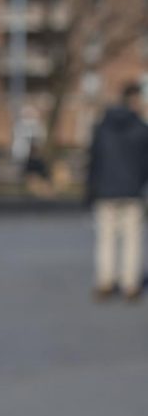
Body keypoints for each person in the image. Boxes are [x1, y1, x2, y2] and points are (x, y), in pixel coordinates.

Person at [86, 82, 148, 302]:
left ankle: (105, 281)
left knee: (105, 238)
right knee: (132, 239)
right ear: (135, 100)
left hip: (105, 191)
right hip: (132, 191)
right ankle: (130, 284)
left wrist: (91, 190)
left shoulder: (102, 128)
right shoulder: (142, 129)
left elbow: (94, 162)